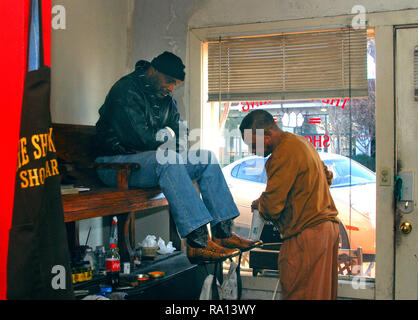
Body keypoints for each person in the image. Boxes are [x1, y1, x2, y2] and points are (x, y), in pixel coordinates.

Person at [94, 51, 262, 262]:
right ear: (153, 71)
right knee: (169, 159)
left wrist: (168, 142)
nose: (172, 88)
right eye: (169, 81)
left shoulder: (166, 99)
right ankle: (198, 243)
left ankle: (223, 234)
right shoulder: (126, 91)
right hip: (115, 164)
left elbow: (181, 135)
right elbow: (140, 138)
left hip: (147, 161)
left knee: (205, 158)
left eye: (176, 83)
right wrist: (167, 142)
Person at [239, 109, 340, 300]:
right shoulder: (301, 143)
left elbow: (272, 207)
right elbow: (327, 177)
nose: (252, 151)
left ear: (267, 135)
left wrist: (261, 205)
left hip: (307, 235)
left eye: (253, 145)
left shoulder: (282, 154)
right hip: (328, 231)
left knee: (299, 293)